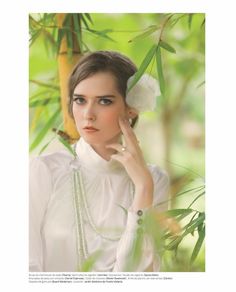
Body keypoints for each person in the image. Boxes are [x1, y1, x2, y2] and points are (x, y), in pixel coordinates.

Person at [29, 50, 169, 272]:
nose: (88, 114)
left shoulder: (154, 181)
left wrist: (143, 188)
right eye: (80, 100)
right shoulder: (44, 170)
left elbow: (141, 276)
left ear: (131, 108)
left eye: (104, 101)